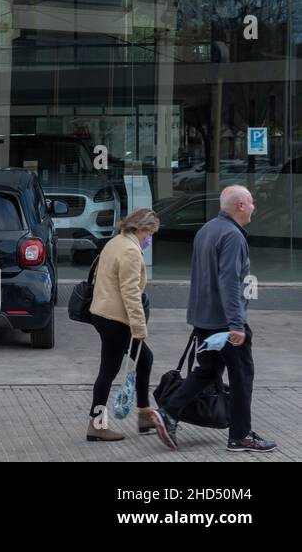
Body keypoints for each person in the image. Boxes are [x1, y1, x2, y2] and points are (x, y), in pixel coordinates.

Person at [157, 185, 276, 452]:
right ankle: (240, 436)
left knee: (208, 370)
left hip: (205, 319)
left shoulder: (207, 229)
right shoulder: (232, 236)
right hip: (225, 322)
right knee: (242, 375)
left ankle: (169, 410)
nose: (255, 206)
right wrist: (237, 324)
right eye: (251, 202)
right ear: (241, 206)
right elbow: (229, 282)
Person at [85, 208, 172, 446]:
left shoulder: (116, 241)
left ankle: (144, 415)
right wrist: (139, 327)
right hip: (116, 319)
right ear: (143, 228)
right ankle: (97, 426)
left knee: (145, 360)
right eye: (151, 233)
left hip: (103, 314)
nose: (150, 238)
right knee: (108, 372)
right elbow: (131, 293)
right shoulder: (131, 251)